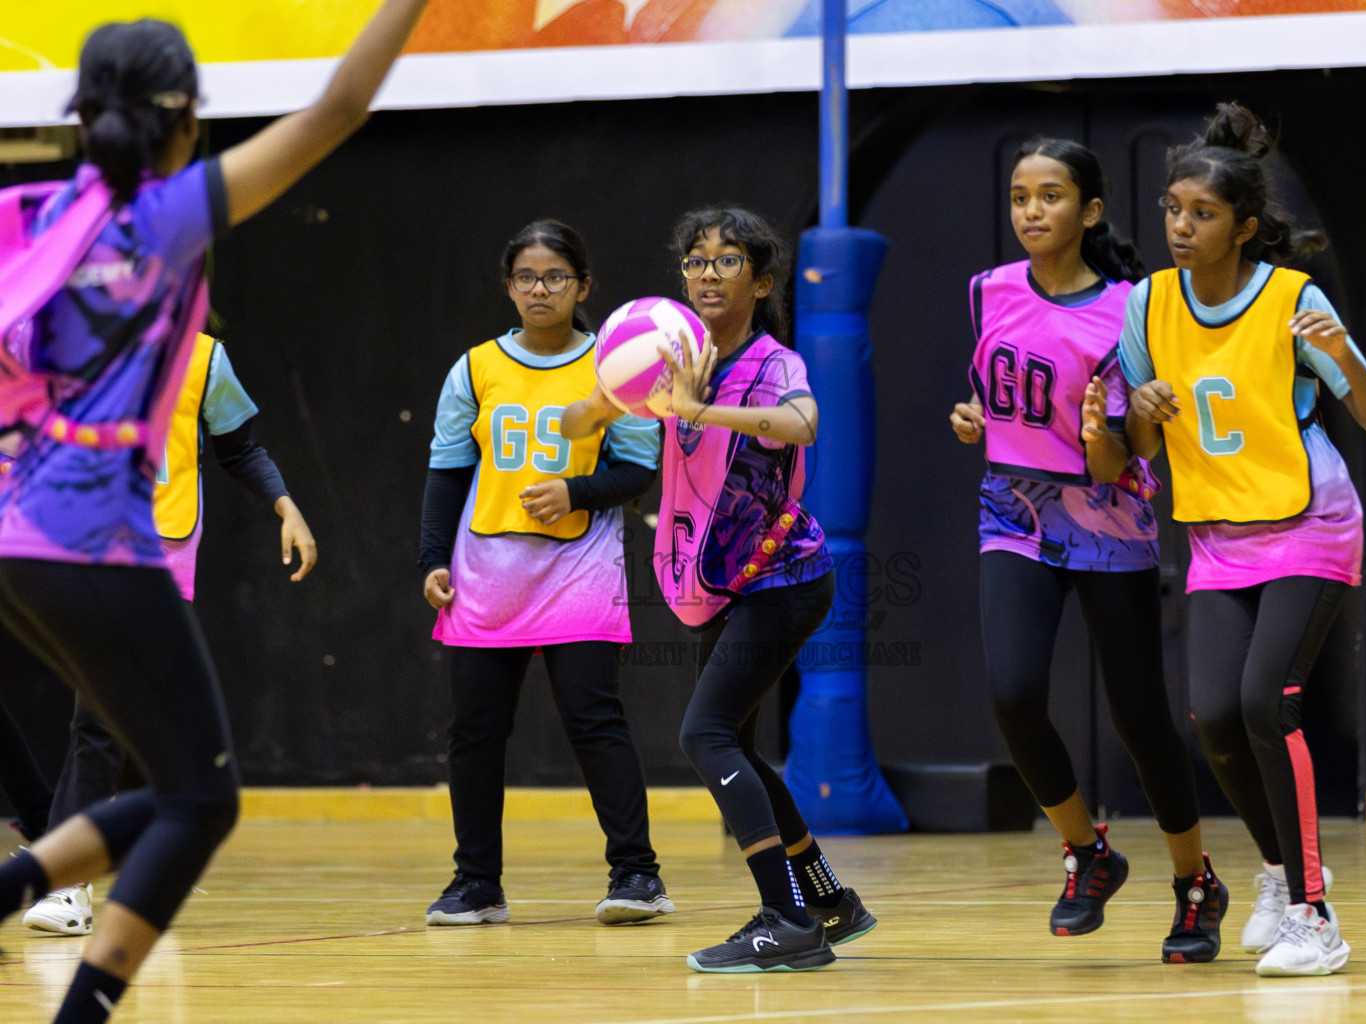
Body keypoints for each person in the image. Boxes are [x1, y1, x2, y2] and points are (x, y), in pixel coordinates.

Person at [0, 4, 435, 1021]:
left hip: (13, 538)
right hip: (95, 541)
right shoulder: (161, 218)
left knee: (176, 789)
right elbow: (337, 109)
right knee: (200, 796)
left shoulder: (23, 217)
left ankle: (30, 892)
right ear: (188, 117)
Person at [1121, 103, 1366, 978]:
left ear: (1242, 227)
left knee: (1263, 703)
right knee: (1212, 716)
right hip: (1219, 533)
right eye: (1171, 209)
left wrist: (1344, 359)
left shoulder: (1290, 299)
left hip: (1310, 521)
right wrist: (1137, 412)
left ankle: (1317, 915)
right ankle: (1277, 869)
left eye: (1200, 214)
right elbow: (1135, 444)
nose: (1180, 227)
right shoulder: (1148, 303)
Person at [561, 207, 875, 973]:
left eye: (727, 261)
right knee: (730, 739)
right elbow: (574, 423)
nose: (707, 272)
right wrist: (611, 393)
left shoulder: (773, 362)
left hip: (785, 578)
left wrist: (700, 411)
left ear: (761, 282)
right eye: (696, 261)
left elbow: (801, 425)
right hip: (720, 582)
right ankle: (829, 901)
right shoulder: (671, 361)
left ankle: (786, 919)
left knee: (703, 736)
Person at [951, 138, 1226, 962]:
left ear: (1091, 210)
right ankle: (1087, 852)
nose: (1031, 211)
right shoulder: (989, 290)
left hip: (1108, 517)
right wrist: (972, 416)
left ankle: (1195, 882)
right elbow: (995, 394)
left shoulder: (1133, 310)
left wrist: (1105, 431)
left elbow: (1126, 456)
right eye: (1019, 197)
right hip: (1013, 514)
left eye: (1051, 196)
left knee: (1142, 718)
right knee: (1014, 693)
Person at [418, 220, 672, 927]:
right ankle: (476, 885)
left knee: (594, 720)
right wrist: (432, 560)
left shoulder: (612, 367)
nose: (540, 289)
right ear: (508, 286)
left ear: (583, 286)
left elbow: (639, 469)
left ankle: (637, 875)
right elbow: (447, 470)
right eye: (527, 277)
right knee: (474, 730)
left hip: (577, 569)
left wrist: (576, 492)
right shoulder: (474, 369)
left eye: (556, 277)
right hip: (486, 575)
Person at [23, 333, 317, 937]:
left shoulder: (203, 357)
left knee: (102, 717)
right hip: (80, 546)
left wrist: (287, 507)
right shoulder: (63, 341)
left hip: (158, 555)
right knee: (118, 717)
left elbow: (239, 449)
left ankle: (67, 881)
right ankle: (137, 861)